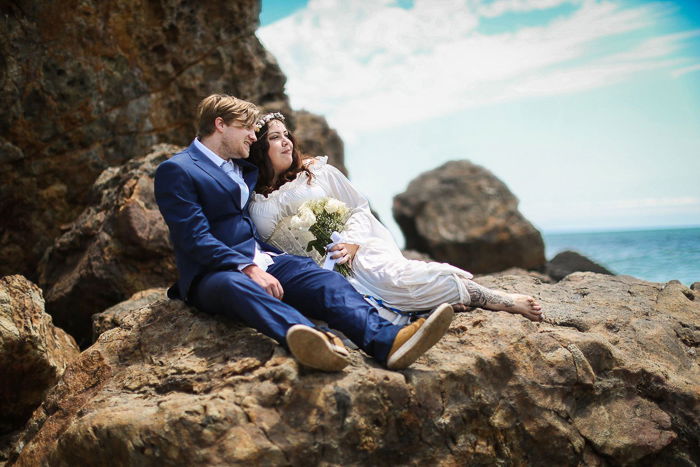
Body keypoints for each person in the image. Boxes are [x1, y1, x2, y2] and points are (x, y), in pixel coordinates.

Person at [154, 94, 454, 372]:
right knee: (236, 286)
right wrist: (245, 267)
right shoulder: (178, 170)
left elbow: (279, 157)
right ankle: (318, 342)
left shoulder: (242, 164)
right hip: (213, 273)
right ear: (220, 125)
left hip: (266, 259)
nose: (252, 136)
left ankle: (388, 341)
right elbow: (193, 237)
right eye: (245, 128)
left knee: (322, 279)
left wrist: (306, 167)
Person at [248, 113, 543, 324]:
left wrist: (352, 243)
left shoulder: (316, 173)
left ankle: (498, 299)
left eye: (287, 135)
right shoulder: (251, 198)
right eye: (275, 138)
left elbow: (358, 207)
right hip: (313, 275)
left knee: (400, 281)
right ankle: (428, 310)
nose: (286, 142)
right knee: (351, 312)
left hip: (354, 252)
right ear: (259, 149)